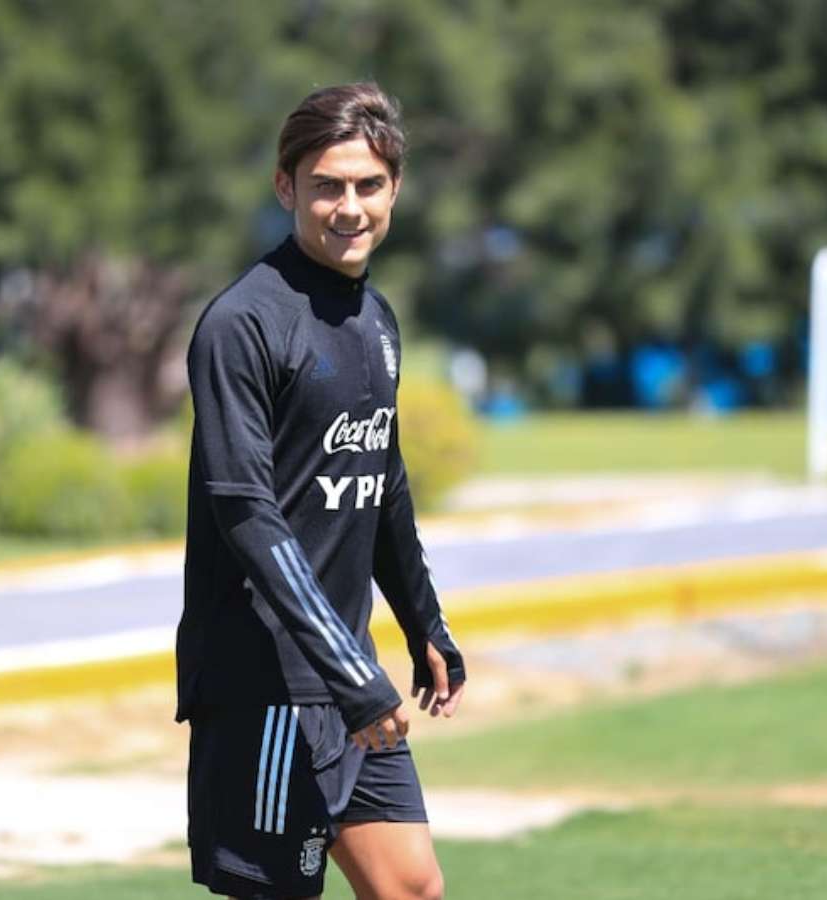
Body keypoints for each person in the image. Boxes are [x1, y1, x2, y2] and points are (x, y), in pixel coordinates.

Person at [177, 81, 467, 900]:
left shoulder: (376, 320)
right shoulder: (242, 324)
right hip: (264, 682)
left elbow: (383, 482)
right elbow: (247, 514)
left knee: (411, 888)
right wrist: (352, 675)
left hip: (346, 674)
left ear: (395, 189)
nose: (350, 207)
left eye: (369, 185)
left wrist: (423, 619)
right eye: (326, 187)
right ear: (286, 188)